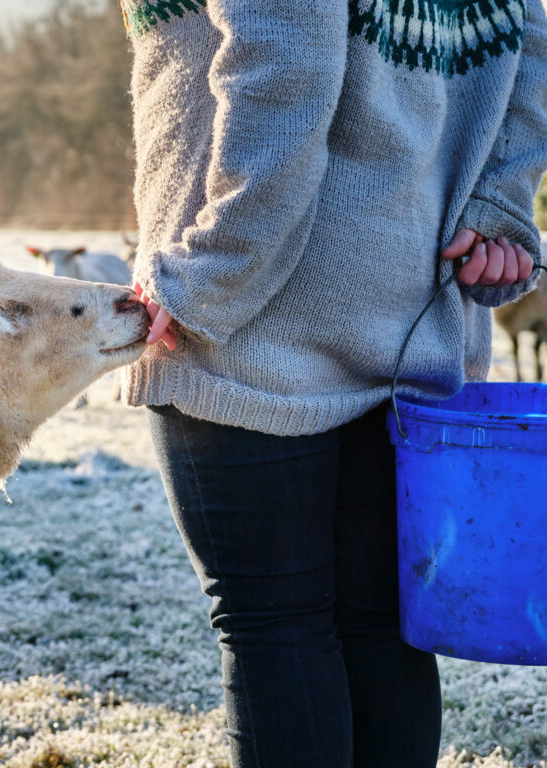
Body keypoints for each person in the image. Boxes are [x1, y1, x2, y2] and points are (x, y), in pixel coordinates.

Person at [118, 0, 547, 766]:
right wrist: (499, 200)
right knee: (378, 627)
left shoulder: (223, 296)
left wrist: (207, 279)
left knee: (276, 627)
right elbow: (531, 31)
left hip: (253, 329)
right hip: (410, 309)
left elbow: (287, 68)